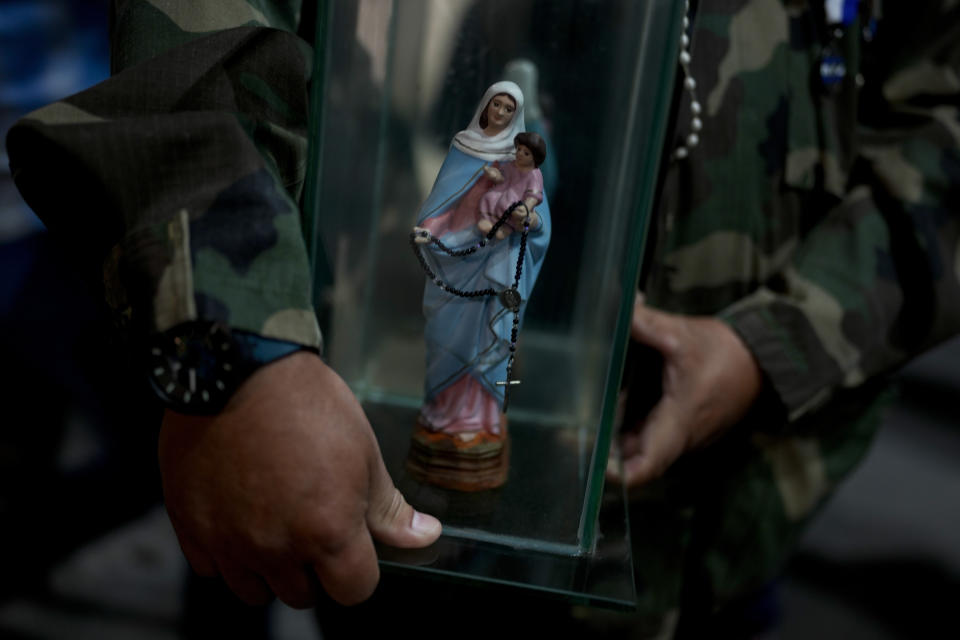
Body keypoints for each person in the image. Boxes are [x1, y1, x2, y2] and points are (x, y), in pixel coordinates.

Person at [6, 1, 960, 637]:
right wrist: (241, 344)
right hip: (430, 565)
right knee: (458, 384)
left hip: (740, 517)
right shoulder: (471, 163)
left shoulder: (524, 177)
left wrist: (774, 344)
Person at [412, 83, 551, 439]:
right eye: (496, 105)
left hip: (494, 264)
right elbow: (440, 202)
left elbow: (540, 218)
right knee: (445, 336)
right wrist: (430, 229)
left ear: (516, 115)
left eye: (508, 108)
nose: (501, 113)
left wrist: (529, 220)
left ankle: (479, 420)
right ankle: (442, 411)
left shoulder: (519, 157)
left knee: (487, 335)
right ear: (485, 106)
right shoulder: (463, 145)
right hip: (458, 254)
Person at [477, 131, 547, 239]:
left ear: (535, 158)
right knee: (490, 197)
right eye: (519, 149)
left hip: (516, 201)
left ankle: (506, 228)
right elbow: (502, 178)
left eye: (526, 153)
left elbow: (533, 196)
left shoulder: (534, 174)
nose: (520, 154)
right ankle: (487, 219)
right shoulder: (511, 164)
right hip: (501, 192)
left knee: (507, 203)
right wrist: (495, 175)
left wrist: (527, 207)